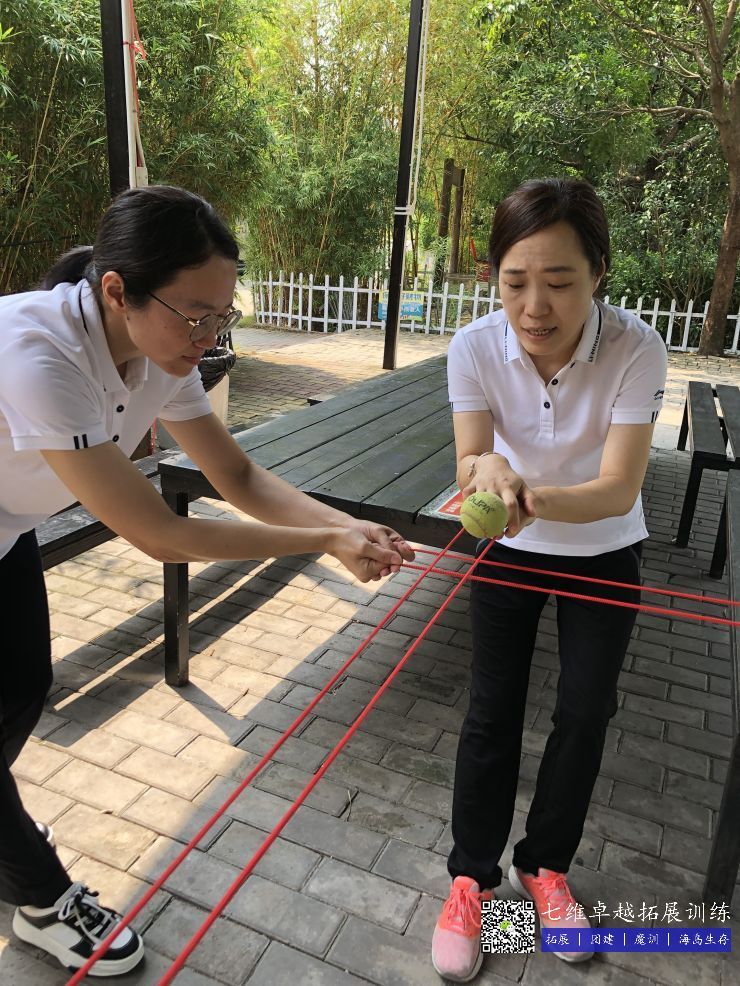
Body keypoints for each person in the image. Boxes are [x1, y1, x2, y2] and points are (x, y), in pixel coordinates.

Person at [0, 184, 414, 977]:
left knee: (22, 688)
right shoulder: (38, 352)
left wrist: (343, 528)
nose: (210, 336)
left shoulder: (164, 354)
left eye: (223, 315)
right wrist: (321, 539)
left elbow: (238, 476)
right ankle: (42, 897)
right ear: (116, 291)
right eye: (195, 315)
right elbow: (160, 533)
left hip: (5, 526)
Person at [431, 178, 668, 982]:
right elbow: (470, 457)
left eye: (560, 282)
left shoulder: (636, 348)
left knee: (585, 712)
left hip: (603, 546)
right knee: (491, 710)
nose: (534, 307)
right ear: (493, 277)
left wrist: (525, 494)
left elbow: (619, 487)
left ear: (598, 272)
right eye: (515, 282)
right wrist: (488, 469)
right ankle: (472, 879)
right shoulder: (473, 346)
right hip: (509, 549)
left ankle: (545, 866)